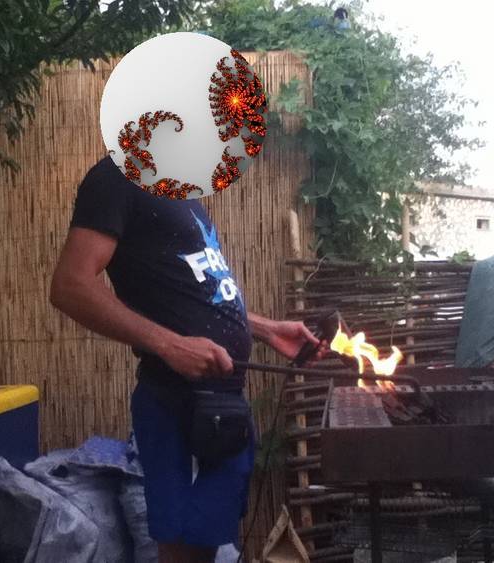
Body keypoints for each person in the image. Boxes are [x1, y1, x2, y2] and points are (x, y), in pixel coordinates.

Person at [50, 156, 320, 563]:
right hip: (175, 401)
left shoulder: (180, 193)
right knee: (181, 548)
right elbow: (70, 285)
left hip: (224, 405)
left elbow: (192, 298)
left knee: (206, 543)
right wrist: (170, 345)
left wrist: (266, 329)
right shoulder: (115, 178)